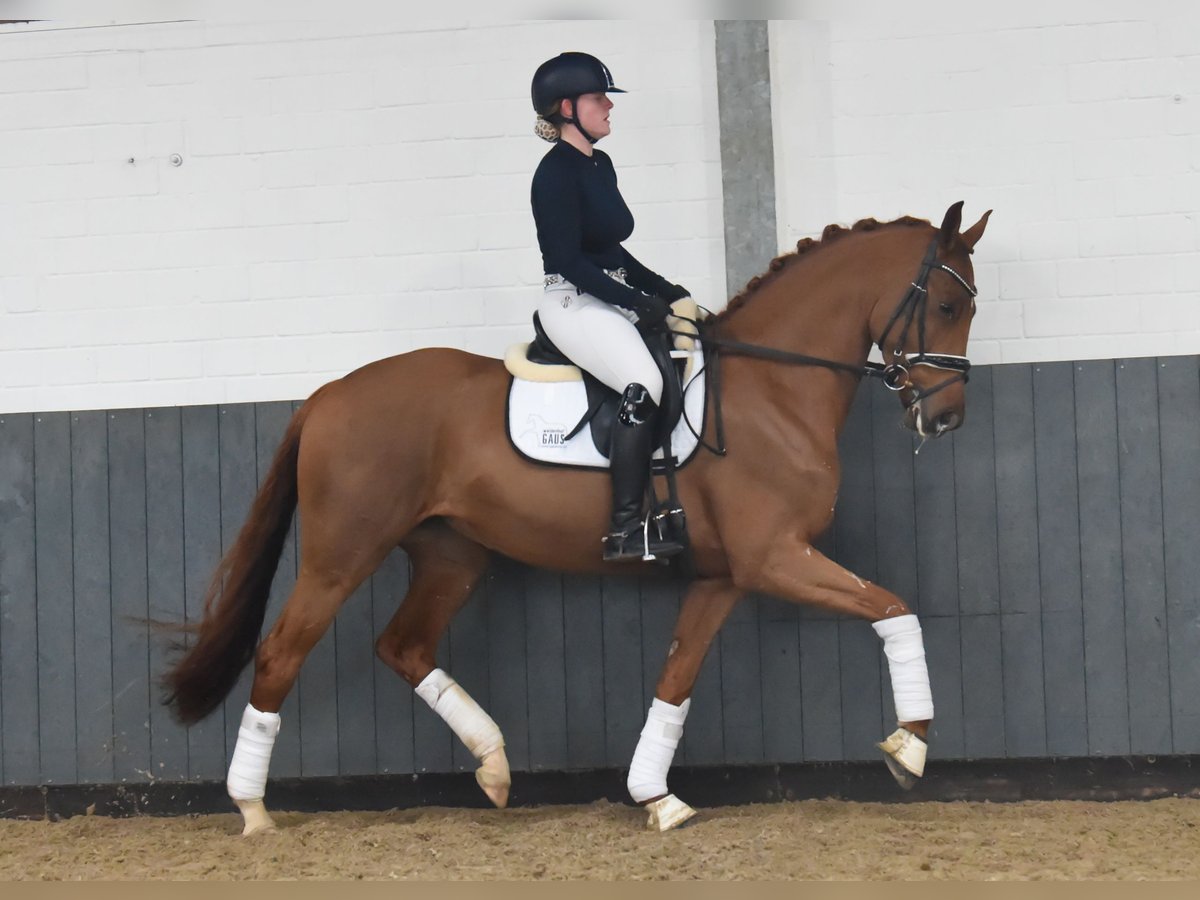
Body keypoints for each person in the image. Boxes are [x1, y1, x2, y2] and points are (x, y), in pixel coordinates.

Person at [529, 51, 690, 563]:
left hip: (606, 295)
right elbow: (567, 260)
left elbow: (611, 251)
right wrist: (635, 302)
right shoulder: (553, 174)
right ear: (567, 108)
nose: (608, 108)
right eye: (600, 99)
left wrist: (668, 292)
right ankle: (625, 528)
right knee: (645, 383)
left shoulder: (599, 164)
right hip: (572, 301)